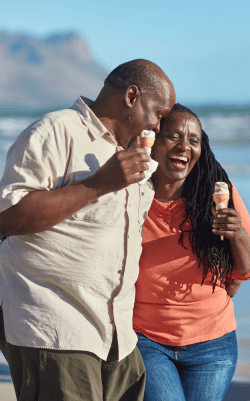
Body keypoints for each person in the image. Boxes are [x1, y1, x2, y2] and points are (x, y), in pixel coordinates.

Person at [0, 59, 176, 401]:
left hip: (119, 338)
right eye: (159, 113)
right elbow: (8, 217)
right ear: (131, 96)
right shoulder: (56, 130)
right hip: (56, 328)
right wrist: (98, 185)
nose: (159, 124)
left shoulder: (133, 154)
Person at [133, 104, 250, 401]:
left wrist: (236, 235)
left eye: (194, 140)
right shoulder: (129, 195)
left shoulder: (217, 194)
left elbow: (245, 270)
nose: (184, 146)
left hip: (214, 344)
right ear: (153, 140)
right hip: (147, 340)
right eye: (173, 136)